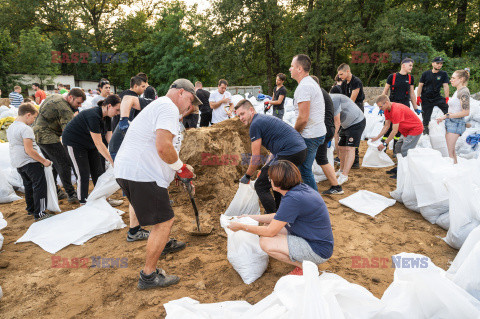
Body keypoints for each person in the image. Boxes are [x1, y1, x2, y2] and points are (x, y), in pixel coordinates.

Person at [114, 79, 201, 289]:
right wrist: (181, 169)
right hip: (140, 173)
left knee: (160, 217)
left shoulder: (159, 105)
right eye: (190, 101)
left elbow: (161, 150)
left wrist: (179, 170)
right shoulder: (168, 107)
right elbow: (163, 146)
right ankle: (148, 276)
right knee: (164, 222)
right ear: (181, 92)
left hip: (131, 170)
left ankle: (161, 244)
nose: (190, 107)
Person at [228, 160, 333, 276]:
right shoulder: (297, 190)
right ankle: (302, 259)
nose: (269, 181)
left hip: (317, 250)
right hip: (315, 239)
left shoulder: (293, 199)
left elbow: (270, 232)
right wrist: (249, 217)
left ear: (277, 182)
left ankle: (304, 267)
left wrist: (242, 227)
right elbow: (278, 217)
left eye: (270, 178)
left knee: (265, 242)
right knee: (267, 225)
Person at [237, 99, 307, 213]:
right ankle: (279, 210)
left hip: (290, 152)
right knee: (276, 179)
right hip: (298, 151)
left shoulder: (255, 124)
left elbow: (255, 157)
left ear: (251, 110)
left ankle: (272, 217)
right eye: (238, 115)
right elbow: (274, 152)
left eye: (242, 114)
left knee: (260, 185)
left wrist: (248, 175)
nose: (241, 118)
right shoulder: (260, 119)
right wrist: (266, 167)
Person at [62, 95, 121, 204]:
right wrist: (112, 161)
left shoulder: (108, 117)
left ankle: (103, 199)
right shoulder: (93, 116)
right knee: (82, 173)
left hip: (89, 143)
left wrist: (116, 153)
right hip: (74, 143)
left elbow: (109, 138)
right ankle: (83, 202)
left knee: (98, 172)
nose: (118, 113)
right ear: (108, 106)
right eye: (117, 110)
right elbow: (99, 143)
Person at [33, 88, 86, 203]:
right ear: (71, 98)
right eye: (78, 103)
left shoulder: (55, 96)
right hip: (48, 137)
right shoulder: (65, 109)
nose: (79, 106)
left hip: (38, 134)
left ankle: (54, 190)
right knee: (64, 163)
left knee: (53, 164)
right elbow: (69, 132)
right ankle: (71, 194)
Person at [6, 103, 53, 221]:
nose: (33, 120)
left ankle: (31, 209)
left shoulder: (11, 127)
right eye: (33, 117)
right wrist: (44, 161)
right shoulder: (25, 129)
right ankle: (40, 213)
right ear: (28, 115)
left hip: (18, 162)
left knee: (28, 186)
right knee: (40, 186)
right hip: (30, 162)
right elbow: (29, 150)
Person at [290, 54, 325, 191]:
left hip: (310, 135)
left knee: (304, 170)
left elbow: (303, 118)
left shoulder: (304, 87)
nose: (290, 69)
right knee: (303, 169)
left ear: (299, 69)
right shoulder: (310, 83)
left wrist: (294, 133)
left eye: (292, 66)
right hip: (315, 132)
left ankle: (314, 202)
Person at [372, 95, 423, 178]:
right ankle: (400, 168)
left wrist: (385, 144)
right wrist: (377, 137)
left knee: (405, 149)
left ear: (387, 103)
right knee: (398, 147)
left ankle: (405, 172)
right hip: (406, 130)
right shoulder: (386, 110)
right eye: (379, 107)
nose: (380, 108)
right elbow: (386, 126)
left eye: (381, 106)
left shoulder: (396, 110)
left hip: (415, 129)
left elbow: (394, 131)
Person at [310, 75, 343, 195]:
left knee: (310, 157)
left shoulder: (317, 94)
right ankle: (336, 186)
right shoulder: (323, 93)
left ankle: (307, 186)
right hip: (327, 129)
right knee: (321, 158)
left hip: (322, 130)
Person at [436, 69, 470, 164]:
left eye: (453, 78)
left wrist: (446, 116)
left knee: (449, 153)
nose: (451, 80)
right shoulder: (458, 91)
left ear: (461, 79)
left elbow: (466, 112)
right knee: (451, 151)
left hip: (456, 124)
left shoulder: (463, 92)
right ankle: (455, 172)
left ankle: (452, 175)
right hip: (452, 122)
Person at [330, 94, 366, 185]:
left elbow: (337, 122)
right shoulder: (325, 102)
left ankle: (344, 175)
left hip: (357, 122)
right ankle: (341, 170)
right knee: (341, 147)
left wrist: (333, 136)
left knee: (350, 148)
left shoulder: (333, 100)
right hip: (345, 124)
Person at [337, 63, 365, 168]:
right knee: (345, 132)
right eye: (339, 75)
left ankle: (355, 161)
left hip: (356, 108)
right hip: (347, 108)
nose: (340, 77)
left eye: (341, 74)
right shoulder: (344, 83)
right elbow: (343, 97)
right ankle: (347, 158)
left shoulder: (356, 82)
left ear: (347, 71)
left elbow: (351, 100)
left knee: (354, 133)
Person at [417, 57, 450, 132]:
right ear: (432, 64)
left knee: (448, 108)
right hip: (426, 98)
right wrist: (418, 97)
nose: (439, 65)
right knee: (426, 117)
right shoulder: (425, 74)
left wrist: (447, 98)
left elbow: (445, 86)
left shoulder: (443, 74)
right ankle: (425, 129)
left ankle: (449, 125)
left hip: (437, 97)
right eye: (437, 63)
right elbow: (420, 86)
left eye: (441, 63)